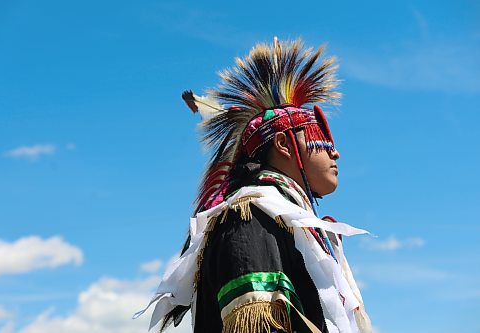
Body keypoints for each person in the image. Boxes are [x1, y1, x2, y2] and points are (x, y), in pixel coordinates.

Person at [138, 38, 372, 333]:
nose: (334, 152)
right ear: (284, 144)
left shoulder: (286, 223)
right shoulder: (249, 217)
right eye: (320, 139)